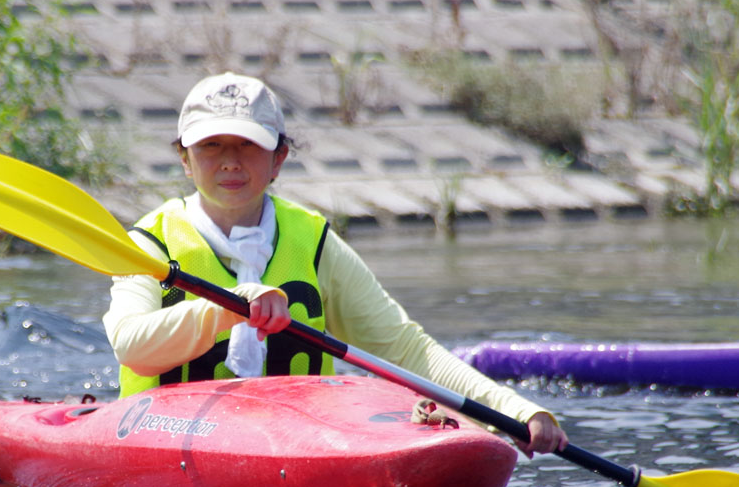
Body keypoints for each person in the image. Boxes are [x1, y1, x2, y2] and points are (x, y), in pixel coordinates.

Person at [103, 72, 568, 458]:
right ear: (184, 159)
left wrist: (511, 409)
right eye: (211, 146)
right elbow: (131, 346)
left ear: (278, 159)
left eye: (248, 145)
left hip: (292, 443)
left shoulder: (315, 242)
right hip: (164, 441)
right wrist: (228, 307)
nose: (229, 161)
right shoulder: (147, 244)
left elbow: (405, 349)